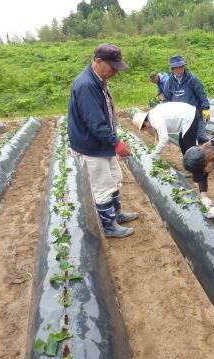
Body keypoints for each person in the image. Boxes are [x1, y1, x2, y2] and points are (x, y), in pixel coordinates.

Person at [68, 44, 138, 238]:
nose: (115, 71)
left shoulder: (98, 80)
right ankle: (109, 227)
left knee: (115, 178)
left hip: (101, 143)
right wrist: (116, 142)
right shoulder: (86, 85)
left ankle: (116, 215)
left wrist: (112, 140)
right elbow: (95, 122)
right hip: (91, 146)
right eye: (112, 66)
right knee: (103, 185)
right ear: (98, 61)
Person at [163, 55, 210, 145]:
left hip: (196, 114)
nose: (179, 70)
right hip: (182, 117)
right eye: (176, 68)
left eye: (181, 67)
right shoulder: (169, 82)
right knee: (185, 140)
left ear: (184, 67)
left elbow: (201, 94)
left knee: (201, 137)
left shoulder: (192, 79)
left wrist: (206, 108)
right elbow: (166, 100)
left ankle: (208, 157)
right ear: (172, 69)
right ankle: (190, 158)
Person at [132, 102, 200, 158]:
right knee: (182, 142)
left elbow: (164, 138)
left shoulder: (156, 120)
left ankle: (195, 165)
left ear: (145, 121)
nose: (146, 129)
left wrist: (156, 153)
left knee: (188, 145)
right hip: (186, 115)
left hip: (189, 116)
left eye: (144, 127)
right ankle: (187, 160)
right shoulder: (152, 116)